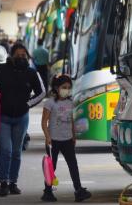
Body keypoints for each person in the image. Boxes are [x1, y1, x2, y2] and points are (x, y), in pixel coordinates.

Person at [0, 43, 46, 197]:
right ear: (11, 56)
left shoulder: (32, 73)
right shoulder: (1, 70)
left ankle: (13, 183)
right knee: (6, 150)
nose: (21, 57)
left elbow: (42, 92)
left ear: (27, 56)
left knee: (17, 152)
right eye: (18, 54)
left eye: (23, 55)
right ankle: (3, 183)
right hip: (4, 118)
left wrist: (28, 104)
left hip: (22, 119)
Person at [40, 75, 92, 203]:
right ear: (57, 88)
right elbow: (44, 122)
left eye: (69, 88)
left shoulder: (70, 102)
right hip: (54, 141)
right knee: (52, 167)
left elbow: (72, 121)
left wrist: (74, 136)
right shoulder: (50, 103)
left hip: (67, 140)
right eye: (64, 87)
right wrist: (47, 137)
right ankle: (47, 192)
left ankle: (78, 190)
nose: (67, 90)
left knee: (73, 166)